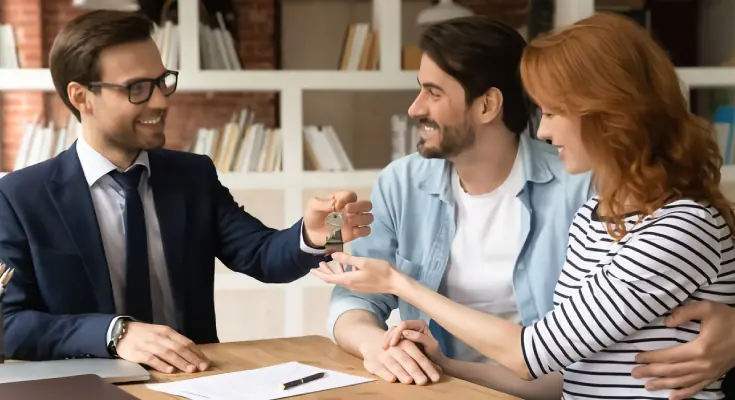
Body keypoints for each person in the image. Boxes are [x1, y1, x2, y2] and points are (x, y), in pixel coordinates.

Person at [315, 12, 735, 400]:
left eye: (433, 92)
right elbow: (569, 371)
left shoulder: (591, 189)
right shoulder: (599, 212)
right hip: (460, 386)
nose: (545, 130)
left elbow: (536, 353)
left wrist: (398, 282)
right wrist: (408, 356)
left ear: (487, 105)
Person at [0, 10, 373, 375]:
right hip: (86, 388)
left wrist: (313, 236)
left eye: (162, 81)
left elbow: (261, 255)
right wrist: (115, 333)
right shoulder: (20, 197)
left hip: (193, 381)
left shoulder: (192, 176)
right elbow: (8, 324)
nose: (161, 101)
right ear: (82, 97)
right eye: (138, 88)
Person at [325, 14, 594, 393]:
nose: (415, 109)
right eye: (419, 89)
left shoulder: (580, 186)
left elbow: (596, 341)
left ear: (487, 106)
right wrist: (377, 347)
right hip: (442, 390)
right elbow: (354, 299)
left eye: (434, 93)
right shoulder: (401, 184)